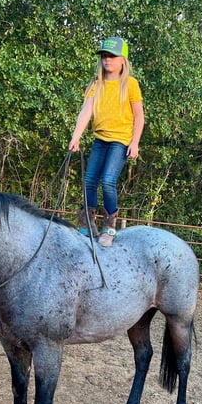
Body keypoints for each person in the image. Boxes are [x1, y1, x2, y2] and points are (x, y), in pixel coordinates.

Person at [69, 36, 145, 247]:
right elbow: (86, 111)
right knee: (89, 180)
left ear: (123, 60)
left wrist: (135, 142)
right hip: (100, 139)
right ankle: (87, 223)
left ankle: (109, 226)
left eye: (111, 56)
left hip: (120, 141)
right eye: (104, 56)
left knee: (108, 181)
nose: (107, 60)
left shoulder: (130, 84)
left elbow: (139, 116)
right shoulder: (97, 83)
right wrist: (76, 137)